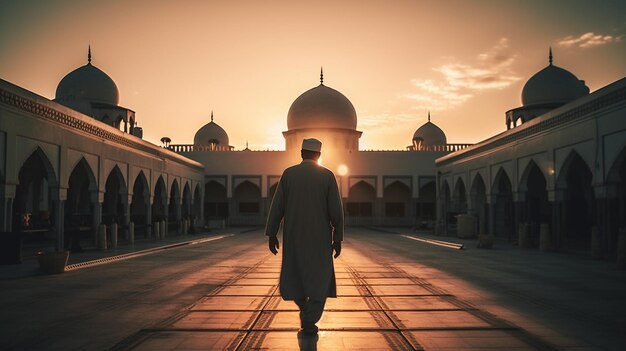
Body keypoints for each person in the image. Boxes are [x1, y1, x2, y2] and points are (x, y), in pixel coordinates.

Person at [265, 138, 344, 336]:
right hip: (320, 238)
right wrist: (337, 239)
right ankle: (310, 318)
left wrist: (272, 233)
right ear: (319, 155)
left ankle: (306, 313)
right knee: (321, 280)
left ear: (301, 153)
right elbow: (337, 212)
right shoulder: (327, 176)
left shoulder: (289, 174)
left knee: (295, 277)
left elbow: (277, 208)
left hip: (294, 237)